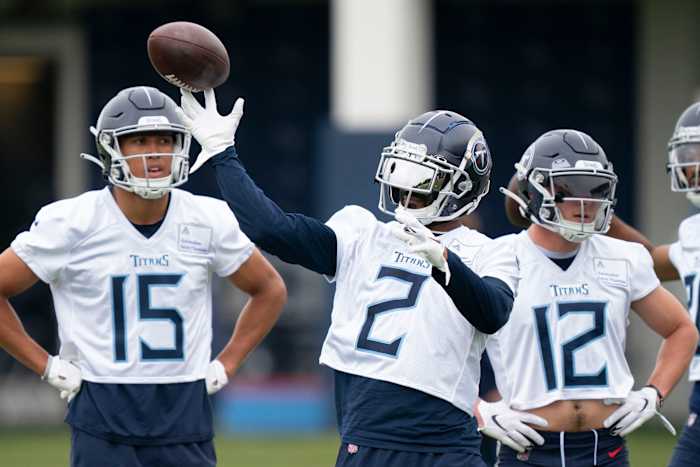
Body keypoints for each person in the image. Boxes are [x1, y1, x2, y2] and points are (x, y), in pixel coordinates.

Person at [179, 89, 519, 466]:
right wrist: (223, 153)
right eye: (402, 172)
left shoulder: (490, 252)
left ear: (461, 187)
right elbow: (273, 230)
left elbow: (493, 312)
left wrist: (444, 261)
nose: (406, 190)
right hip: (368, 435)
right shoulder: (362, 233)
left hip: (447, 444)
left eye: (423, 179)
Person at [0, 86, 287, 467]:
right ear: (110, 150)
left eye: (166, 140)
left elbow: (269, 289)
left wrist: (227, 363)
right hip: (102, 412)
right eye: (138, 141)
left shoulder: (207, 218)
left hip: (185, 410)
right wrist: (46, 366)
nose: (155, 153)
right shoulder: (72, 222)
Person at [477, 129, 697, 466]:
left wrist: (654, 393)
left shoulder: (624, 257)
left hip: (604, 449)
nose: (586, 202)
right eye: (568, 190)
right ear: (533, 190)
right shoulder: (498, 257)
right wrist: (479, 409)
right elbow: (436, 350)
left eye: (596, 190)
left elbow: (682, 330)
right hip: (527, 449)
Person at [593, 102, 700, 467]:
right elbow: (651, 262)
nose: (692, 166)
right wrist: (598, 212)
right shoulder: (694, 230)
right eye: (689, 155)